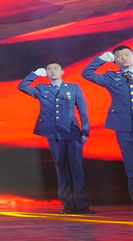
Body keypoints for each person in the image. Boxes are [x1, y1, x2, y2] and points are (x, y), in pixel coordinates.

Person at [18, 63, 94, 214]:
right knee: (61, 168)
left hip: (72, 132)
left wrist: (85, 131)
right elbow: (22, 86)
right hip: (53, 134)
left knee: (77, 169)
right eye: (49, 69)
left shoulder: (73, 88)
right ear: (46, 73)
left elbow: (83, 110)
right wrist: (34, 74)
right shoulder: (42, 89)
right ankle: (68, 205)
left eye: (55, 69)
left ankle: (81, 205)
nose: (52, 71)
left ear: (62, 72)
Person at [81, 45, 133, 200]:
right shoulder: (110, 77)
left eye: (127, 54)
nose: (124, 58)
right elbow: (87, 73)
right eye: (119, 56)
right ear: (114, 61)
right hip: (124, 126)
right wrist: (100, 60)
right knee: (131, 166)